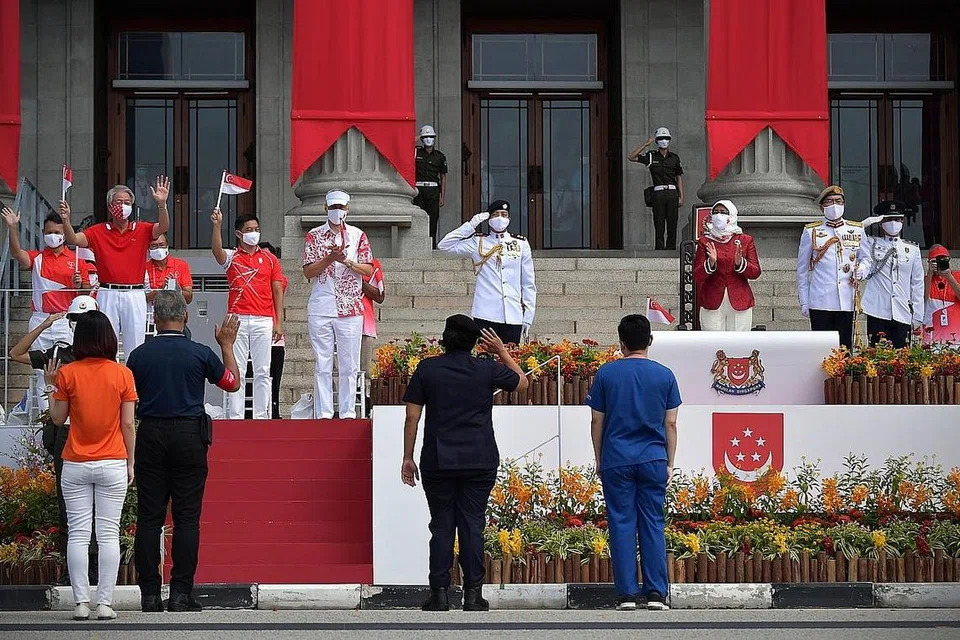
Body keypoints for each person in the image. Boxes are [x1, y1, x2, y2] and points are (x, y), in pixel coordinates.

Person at [401, 315, 528, 612]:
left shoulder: (428, 369)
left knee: (442, 526)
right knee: (472, 525)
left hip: (438, 459)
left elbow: (412, 417)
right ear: (475, 342)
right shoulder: (486, 368)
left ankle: (440, 594)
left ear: (444, 340)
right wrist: (502, 352)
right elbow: (522, 383)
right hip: (479, 458)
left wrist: (407, 457)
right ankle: (473, 595)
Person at [125, 291, 241, 613]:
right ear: (185, 317)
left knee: (149, 517)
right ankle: (180, 593)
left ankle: (149, 594)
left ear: (156, 319)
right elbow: (231, 383)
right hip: (189, 435)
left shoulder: (138, 356)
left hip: (150, 432)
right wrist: (227, 346)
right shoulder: (200, 353)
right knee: (187, 519)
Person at [46, 310, 137, 621]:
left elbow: (58, 419)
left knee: (78, 534)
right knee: (109, 534)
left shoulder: (68, 374)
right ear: (109, 338)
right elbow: (128, 424)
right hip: (112, 460)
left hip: (75, 461)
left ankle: (81, 603)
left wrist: (50, 388)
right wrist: (131, 460)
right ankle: (105, 604)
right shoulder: (122, 374)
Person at [587, 314, 679, 611]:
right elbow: (671, 424)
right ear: (650, 340)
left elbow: (596, 420)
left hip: (617, 458)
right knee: (653, 523)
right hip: (653, 457)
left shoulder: (606, 374)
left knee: (621, 523)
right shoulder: (665, 375)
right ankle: (656, 594)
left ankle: (626, 594)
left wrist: (600, 458)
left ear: (621, 342)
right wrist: (670, 462)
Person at [9, 295, 100, 584]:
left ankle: (95, 568)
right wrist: (45, 325)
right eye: (76, 320)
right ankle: (72, 571)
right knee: (68, 505)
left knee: (97, 506)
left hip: (93, 432)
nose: (80, 326)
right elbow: (16, 353)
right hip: (66, 431)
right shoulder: (58, 354)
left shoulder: (104, 358)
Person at [60, 178, 171, 358]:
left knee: (135, 346)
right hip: (107, 292)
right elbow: (73, 240)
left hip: (134, 294)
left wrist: (162, 205)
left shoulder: (141, 229)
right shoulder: (97, 231)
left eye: (127, 203)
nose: (123, 206)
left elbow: (163, 227)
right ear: (110, 206)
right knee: (105, 343)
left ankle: (132, 384)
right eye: (119, 202)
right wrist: (66, 219)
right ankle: (110, 383)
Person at [2, 207, 90, 404]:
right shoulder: (37, 258)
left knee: (68, 368)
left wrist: (79, 285)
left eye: (58, 233)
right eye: (49, 232)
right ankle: (46, 417)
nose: (53, 236)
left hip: (67, 320)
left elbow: (85, 295)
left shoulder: (77, 261)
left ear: (65, 235)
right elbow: (17, 254)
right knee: (43, 370)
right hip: (41, 320)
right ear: (43, 234)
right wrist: (13, 228)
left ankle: (68, 412)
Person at [302, 190, 374, 420]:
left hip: (350, 306)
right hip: (322, 305)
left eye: (341, 207)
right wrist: (329, 259)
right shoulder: (314, 236)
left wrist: (346, 260)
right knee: (322, 363)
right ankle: (324, 412)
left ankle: (347, 412)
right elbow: (308, 271)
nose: (337, 211)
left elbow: (368, 269)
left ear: (348, 209)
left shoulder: (358, 235)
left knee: (349, 363)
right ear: (325, 209)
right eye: (333, 207)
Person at [211, 210, 284, 419]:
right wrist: (217, 225)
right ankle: (235, 416)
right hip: (237, 319)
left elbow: (277, 290)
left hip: (263, 320)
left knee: (263, 370)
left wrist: (278, 322)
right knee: (238, 370)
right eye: (249, 230)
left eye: (256, 229)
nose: (254, 233)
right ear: (238, 234)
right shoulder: (232, 257)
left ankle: (262, 416)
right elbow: (217, 252)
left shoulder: (270, 260)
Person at [437, 200, 536, 345]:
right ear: (488, 219)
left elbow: (528, 282)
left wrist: (528, 314)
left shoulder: (520, 243)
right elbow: (444, 245)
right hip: (485, 313)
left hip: (513, 313)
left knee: (511, 360)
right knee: (485, 359)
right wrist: (471, 225)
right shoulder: (477, 242)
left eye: (504, 214)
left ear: (509, 219)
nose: (500, 218)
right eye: (495, 215)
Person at [796, 186, 863, 350]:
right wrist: (804, 301)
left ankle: (842, 377)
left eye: (838, 201)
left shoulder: (856, 229)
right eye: (830, 202)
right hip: (820, 300)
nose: (834, 205)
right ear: (822, 207)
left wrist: (862, 270)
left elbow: (866, 258)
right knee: (820, 350)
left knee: (845, 349)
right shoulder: (811, 231)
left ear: (844, 204)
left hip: (846, 298)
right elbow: (802, 270)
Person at [855, 201, 924, 348]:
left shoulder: (911, 249)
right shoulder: (871, 242)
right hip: (877, 309)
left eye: (897, 219)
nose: (893, 223)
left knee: (901, 358)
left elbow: (917, 283)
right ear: (881, 223)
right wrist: (864, 224)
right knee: (877, 355)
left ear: (902, 221)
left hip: (902, 310)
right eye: (888, 220)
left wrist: (918, 314)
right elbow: (853, 237)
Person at [693, 200, 761, 331]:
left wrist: (740, 263)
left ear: (732, 216)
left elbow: (755, 272)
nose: (719, 216)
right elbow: (697, 275)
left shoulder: (745, 240)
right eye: (715, 212)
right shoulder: (705, 241)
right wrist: (710, 263)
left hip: (739, 299)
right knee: (713, 344)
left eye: (723, 213)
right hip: (711, 299)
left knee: (738, 344)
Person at [628, 127, 684, 251]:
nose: (664, 141)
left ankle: (670, 249)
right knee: (658, 223)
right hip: (658, 193)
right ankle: (659, 249)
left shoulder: (674, 158)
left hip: (672, 192)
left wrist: (681, 196)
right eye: (660, 138)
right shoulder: (651, 156)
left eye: (666, 138)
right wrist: (646, 144)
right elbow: (631, 157)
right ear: (657, 141)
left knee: (672, 223)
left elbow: (679, 177)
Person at [258, 242, 288, 419]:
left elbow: (277, 289)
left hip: (274, 336)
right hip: (254, 333)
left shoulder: (280, 279)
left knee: (273, 379)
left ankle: (274, 410)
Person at [145, 234, 193, 335]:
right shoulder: (143, 268)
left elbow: (189, 298)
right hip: (150, 320)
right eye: (154, 246)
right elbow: (140, 299)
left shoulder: (181, 265)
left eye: (162, 245)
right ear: (148, 249)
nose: (158, 249)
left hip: (175, 319)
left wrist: (177, 290)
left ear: (167, 246)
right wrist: (161, 292)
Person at [414, 125, 448, 247]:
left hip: (433, 190)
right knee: (418, 218)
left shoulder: (440, 156)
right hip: (419, 189)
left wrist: (442, 196)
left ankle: (431, 245)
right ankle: (418, 245)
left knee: (433, 218)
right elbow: (405, 144)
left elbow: (443, 177)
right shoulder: (416, 152)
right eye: (426, 137)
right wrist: (419, 136)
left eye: (431, 136)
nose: (429, 139)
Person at [924, 245, 960, 344]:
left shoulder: (957, 276)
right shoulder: (926, 280)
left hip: (956, 337)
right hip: (932, 338)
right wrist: (930, 274)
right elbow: (923, 299)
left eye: (943, 259)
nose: (940, 263)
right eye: (935, 261)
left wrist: (949, 277)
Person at [360, 257, 386, 397]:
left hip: (365, 325)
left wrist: (358, 279)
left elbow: (380, 296)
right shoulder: (335, 260)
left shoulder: (372, 263)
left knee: (365, 371)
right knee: (340, 371)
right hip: (339, 323)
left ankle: (363, 406)